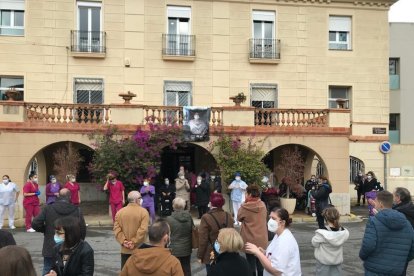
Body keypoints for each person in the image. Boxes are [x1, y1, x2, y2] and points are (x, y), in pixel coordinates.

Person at [32, 188, 87, 276]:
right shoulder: (77, 210)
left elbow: (35, 223)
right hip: (71, 247)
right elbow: (82, 230)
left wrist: (45, 230)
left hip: (50, 246)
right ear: (70, 197)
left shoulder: (48, 208)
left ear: (58, 196)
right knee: (70, 271)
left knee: (48, 270)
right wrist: (78, 244)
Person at [359, 190, 414, 276]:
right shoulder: (406, 222)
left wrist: (362, 256)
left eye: (375, 201)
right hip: (397, 270)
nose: (374, 203)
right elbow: (412, 248)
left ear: (380, 203)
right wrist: (401, 260)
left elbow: (368, 246)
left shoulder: (373, 221)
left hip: (375, 269)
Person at [245, 207, 302, 276]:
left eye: (274, 218)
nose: (270, 221)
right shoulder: (278, 235)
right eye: (270, 218)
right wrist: (264, 253)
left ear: (283, 222)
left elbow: (276, 271)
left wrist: (258, 253)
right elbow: (276, 255)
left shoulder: (285, 241)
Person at [198, 192, 234, 274]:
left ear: (211, 203)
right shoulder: (228, 215)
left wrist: (200, 255)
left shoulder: (206, 217)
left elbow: (203, 239)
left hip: (212, 253)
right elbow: (232, 233)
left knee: (212, 272)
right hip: (227, 250)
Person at [114, 191, 149, 269]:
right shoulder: (144, 212)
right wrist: (133, 242)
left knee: (125, 271)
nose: (141, 199)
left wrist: (124, 241)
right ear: (136, 200)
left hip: (125, 249)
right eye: (140, 198)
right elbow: (143, 230)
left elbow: (117, 229)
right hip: (140, 248)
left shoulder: (120, 212)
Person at [237, 184, 267, 276]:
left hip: (249, 239)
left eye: (246, 193)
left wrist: (245, 203)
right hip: (262, 238)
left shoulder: (244, 207)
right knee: (260, 261)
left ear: (249, 194)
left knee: (250, 263)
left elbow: (239, 218)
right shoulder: (262, 205)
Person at [311, 207, 349, 276]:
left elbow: (314, 244)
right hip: (337, 262)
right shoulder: (343, 232)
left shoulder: (321, 233)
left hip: (323, 263)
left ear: (326, 219)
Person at [166, 197, 193, 276]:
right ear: (184, 206)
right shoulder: (189, 217)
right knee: (186, 267)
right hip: (187, 246)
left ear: (173, 206)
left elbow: (166, 234)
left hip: (173, 248)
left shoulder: (169, 219)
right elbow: (192, 229)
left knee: (174, 269)